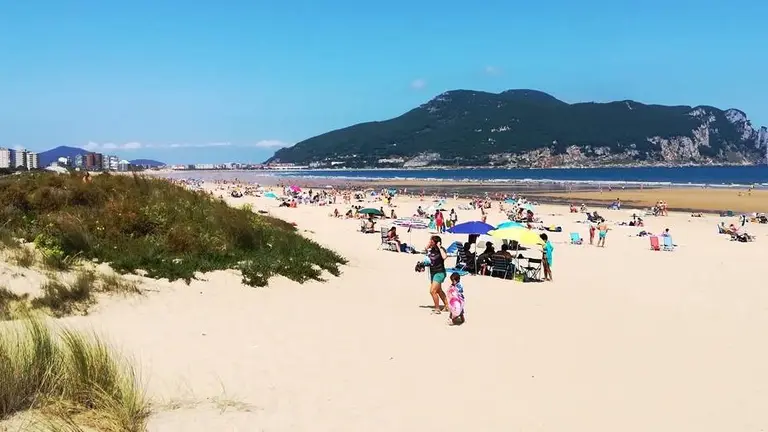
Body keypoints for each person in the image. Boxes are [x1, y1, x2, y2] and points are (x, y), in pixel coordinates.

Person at [426, 236, 449, 314]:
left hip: (440, 272)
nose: (430, 243)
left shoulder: (441, 249)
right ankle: (447, 306)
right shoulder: (431, 249)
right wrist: (429, 244)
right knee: (439, 291)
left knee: (432, 291)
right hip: (433, 272)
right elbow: (425, 250)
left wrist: (439, 247)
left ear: (436, 243)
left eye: (432, 242)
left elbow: (444, 257)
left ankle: (437, 309)